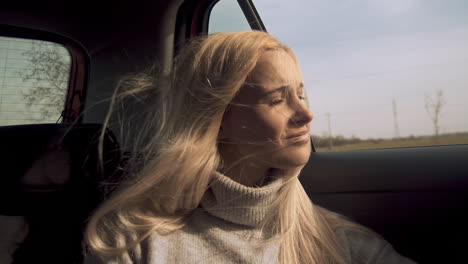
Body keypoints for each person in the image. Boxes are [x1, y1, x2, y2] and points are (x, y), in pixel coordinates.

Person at [84, 31, 415, 264]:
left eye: (301, 94)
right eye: (276, 99)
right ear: (218, 119)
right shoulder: (133, 240)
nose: (306, 113)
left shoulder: (336, 240)